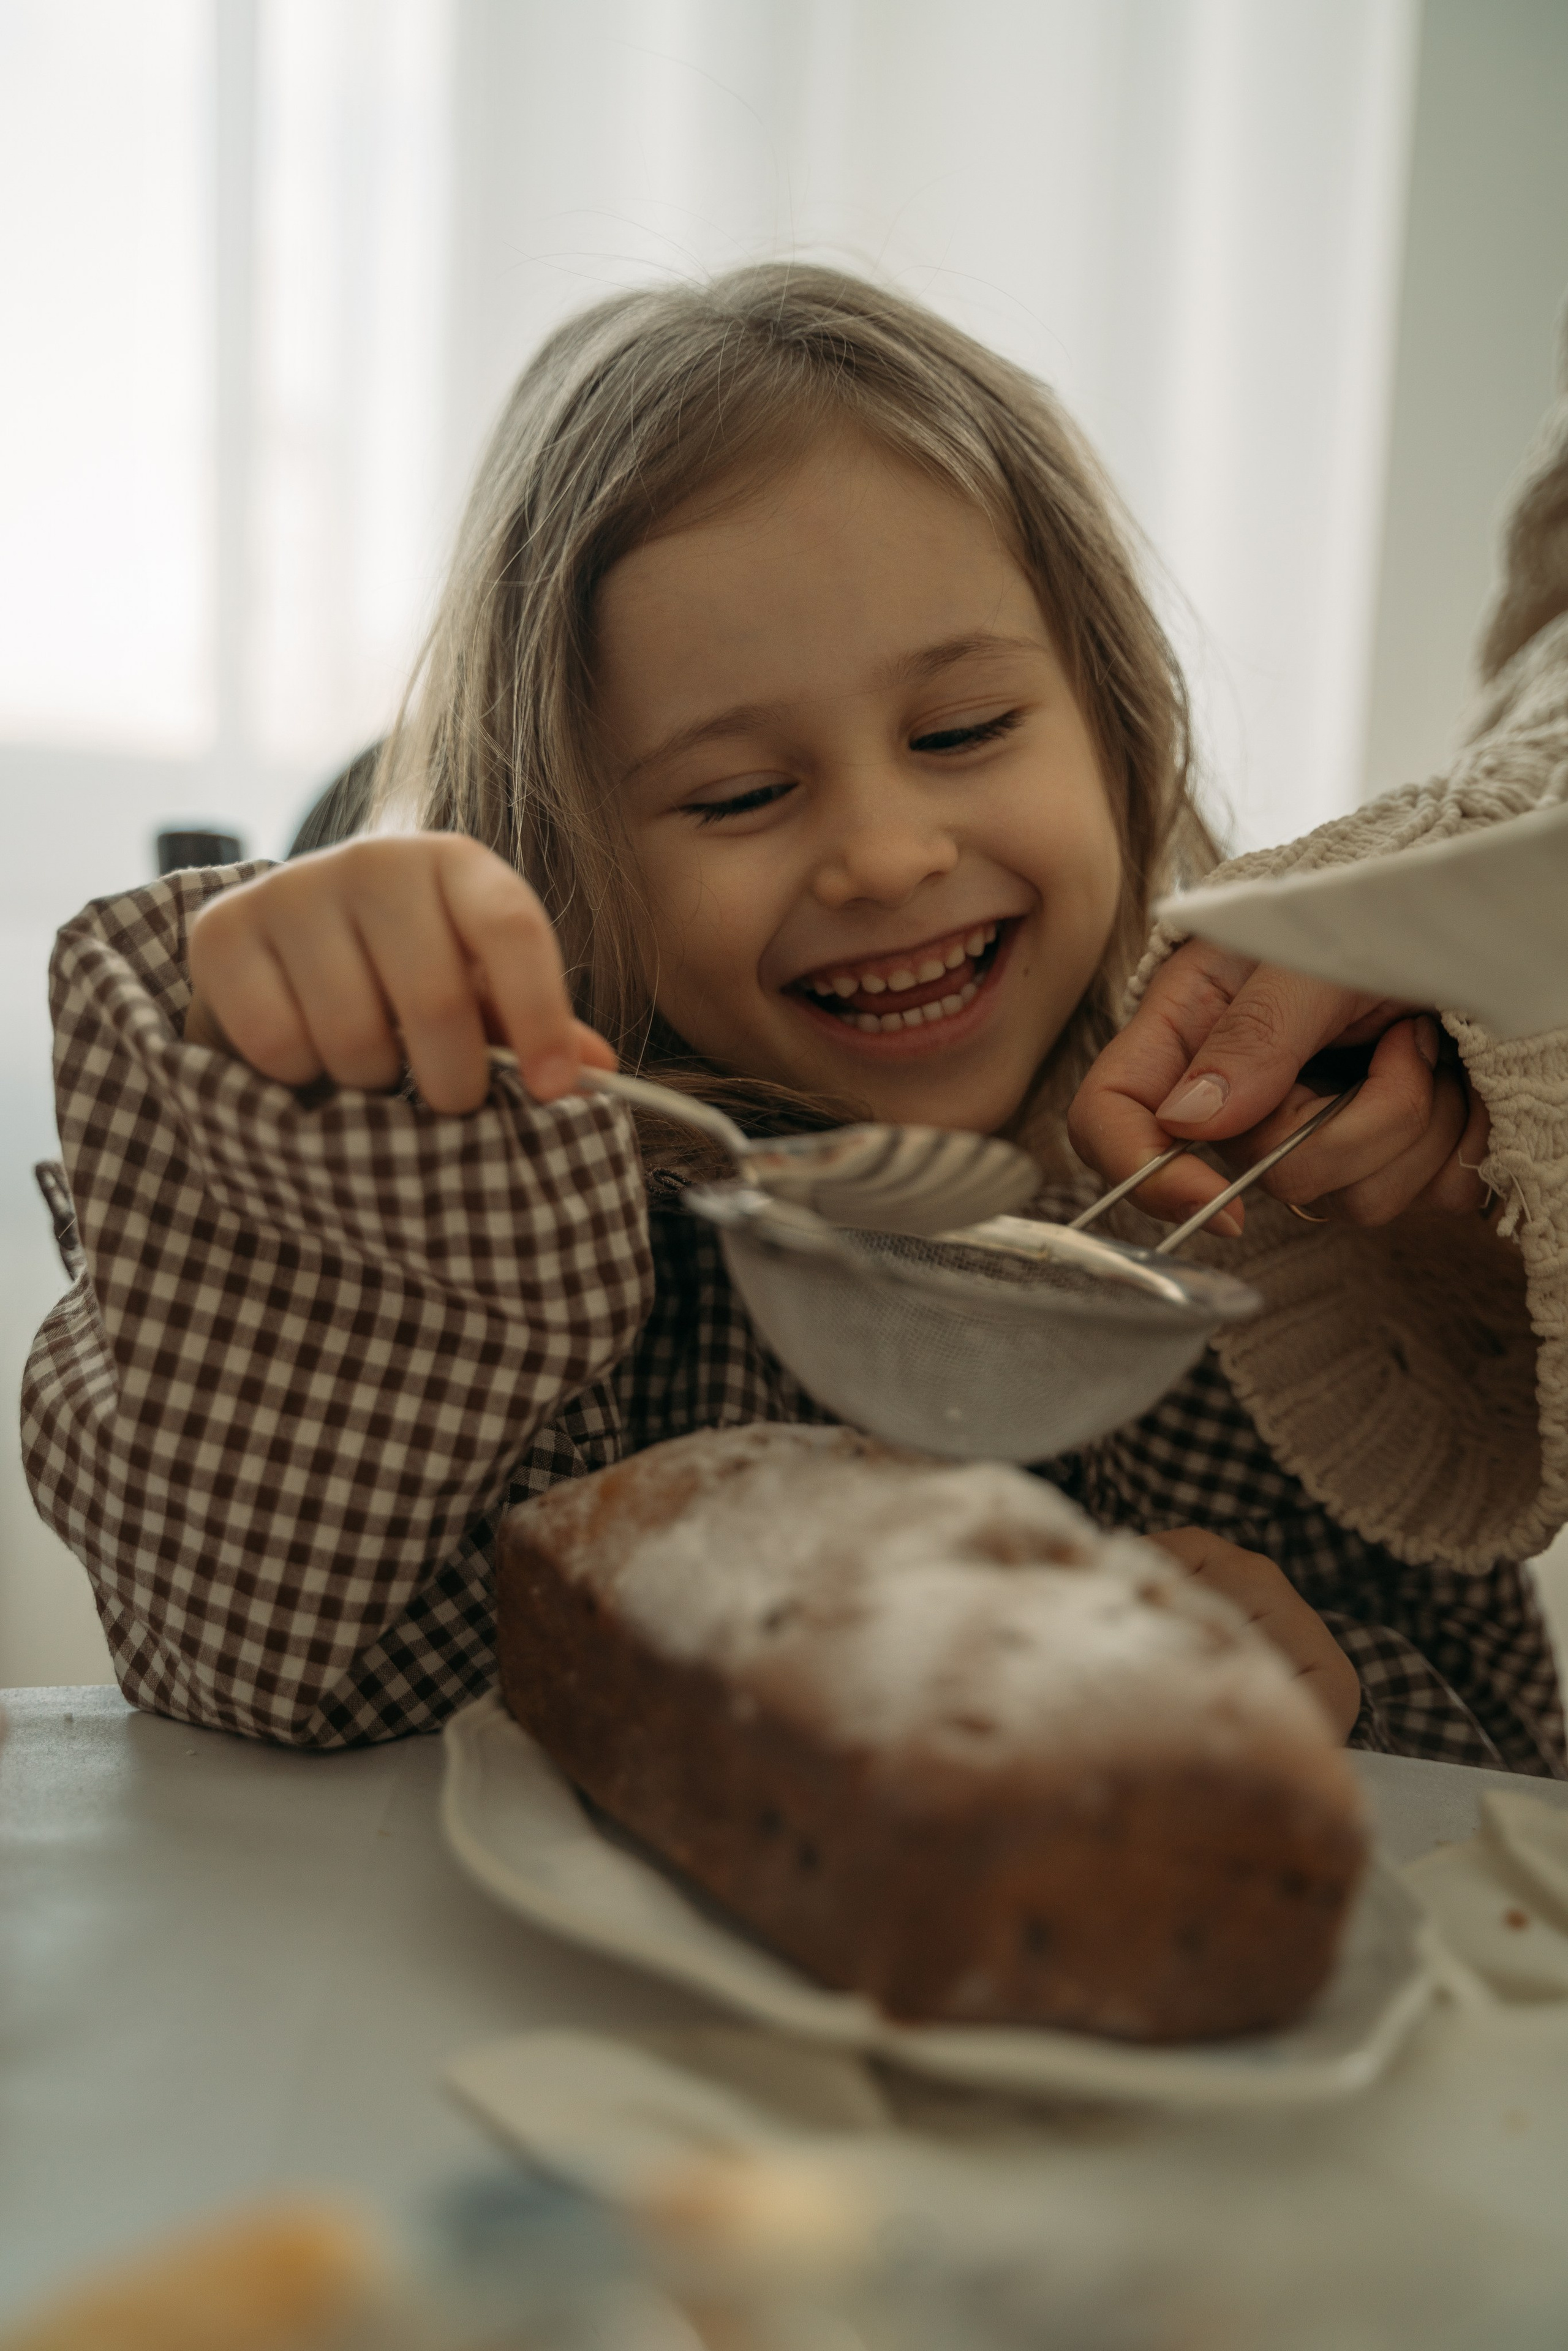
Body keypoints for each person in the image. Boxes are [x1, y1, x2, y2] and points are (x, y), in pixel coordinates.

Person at [22, 266, 1568, 1765]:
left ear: (1117, 725)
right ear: (562, 855)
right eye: (740, 791)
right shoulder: (535, 1237)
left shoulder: (1306, 1227)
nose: (886, 851)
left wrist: (1338, 1703)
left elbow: (1509, 1795)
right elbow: (252, 1657)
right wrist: (310, 1092)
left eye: (960, 729)